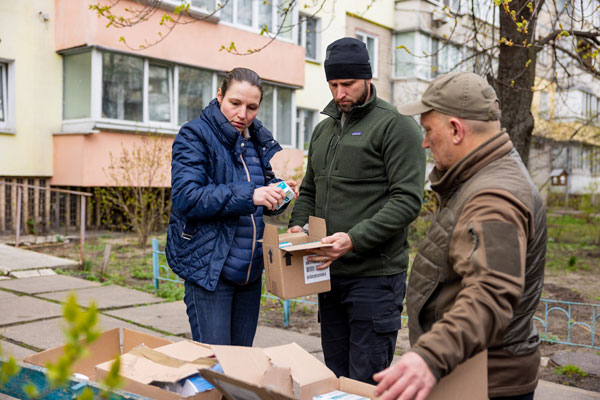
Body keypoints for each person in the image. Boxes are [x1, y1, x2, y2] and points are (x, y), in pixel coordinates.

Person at [373, 71, 547, 400]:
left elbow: (491, 293)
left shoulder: (494, 197)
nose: (424, 143)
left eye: (428, 131)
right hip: (472, 371)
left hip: (487, 383)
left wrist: (430, 357)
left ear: (455, 130)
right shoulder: (480, 177)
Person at [288, 37, 426, 384]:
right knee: (335, 378)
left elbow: (407, 200)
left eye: (347, 84)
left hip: (374, 280)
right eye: (333, 84)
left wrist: (354, 239)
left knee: (367, 381)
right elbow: (309, 189)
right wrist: (298, 225)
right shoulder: (323, 130)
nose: (339, 94)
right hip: (328, 275)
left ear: (367, 77)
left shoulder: (396, 126)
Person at [166, 67, 298, 346]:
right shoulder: (195, 135)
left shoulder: (256, 141)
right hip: (211, 271)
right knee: (217, 366)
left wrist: (279, 195)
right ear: (219, 96)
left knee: (241, 365)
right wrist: (252, 195)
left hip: (250, 272)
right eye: (235, 103)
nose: (243, 114)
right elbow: (187, 196)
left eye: (252, 107)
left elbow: (260, 200)